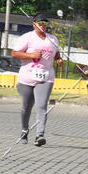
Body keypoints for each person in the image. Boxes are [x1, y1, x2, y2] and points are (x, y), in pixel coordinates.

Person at [12, 14, 62, 146]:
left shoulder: (53, 39)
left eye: (45, 22)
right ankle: (24, 130)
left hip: (46, 77)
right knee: (26, 107)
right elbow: (14, 53)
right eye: (40, 22)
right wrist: (31, 55)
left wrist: (58, 59)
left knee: (41, 106)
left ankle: (39, 135)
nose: (43, 25)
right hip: (27, 77)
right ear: (34, 24)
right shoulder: (27, 37)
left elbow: (55, 52)